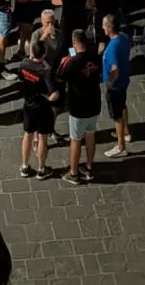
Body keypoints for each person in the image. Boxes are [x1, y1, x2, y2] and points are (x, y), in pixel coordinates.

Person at [57, 29, 102, 184]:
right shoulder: (95, 56)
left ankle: (74, 172)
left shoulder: (73, 62)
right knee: (90, 135)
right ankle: (89, 166)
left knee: (75, 139)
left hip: (79, 106)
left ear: (74, 43)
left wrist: (64, 62)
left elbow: (60, 76)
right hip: (95, 103)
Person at [18, 34, 59, 179]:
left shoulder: (23, 64)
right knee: (42, 137)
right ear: (44, 54)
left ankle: (24, 166)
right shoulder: (46, 72)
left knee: (28, 135)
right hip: (42, 107)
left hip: (28, 105)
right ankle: (41, 169)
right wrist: (49, 99)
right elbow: (54, 94)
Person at [100, 12, 132, 157]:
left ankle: (120, 146)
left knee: (116, 115)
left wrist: (110, 84)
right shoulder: (124, 38)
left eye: (104, 25)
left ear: (109, 27)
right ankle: (126, 132)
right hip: (125, 81)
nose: (102, 28)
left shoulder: (113, 47)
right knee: (123, 105)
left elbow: (114, 69)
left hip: (115, 86)